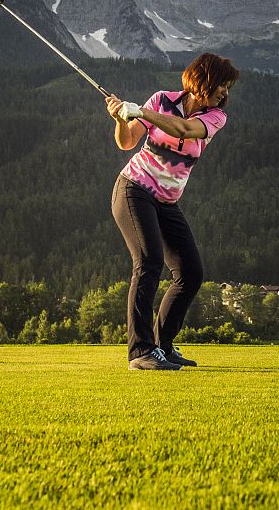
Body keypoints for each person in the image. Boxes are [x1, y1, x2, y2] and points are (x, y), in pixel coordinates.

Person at [105, 53, 239, 370]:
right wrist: (121, 120)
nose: (225, 93)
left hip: (166, 201)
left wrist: (143, 112)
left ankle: (162, 346)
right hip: (133, 190)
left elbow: (182, 129)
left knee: (190, 273)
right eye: (223, 84)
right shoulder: (161, 99)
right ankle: (140, 352)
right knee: (149, 261)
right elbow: (127, 143)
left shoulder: (215, 117)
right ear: (204, 79)